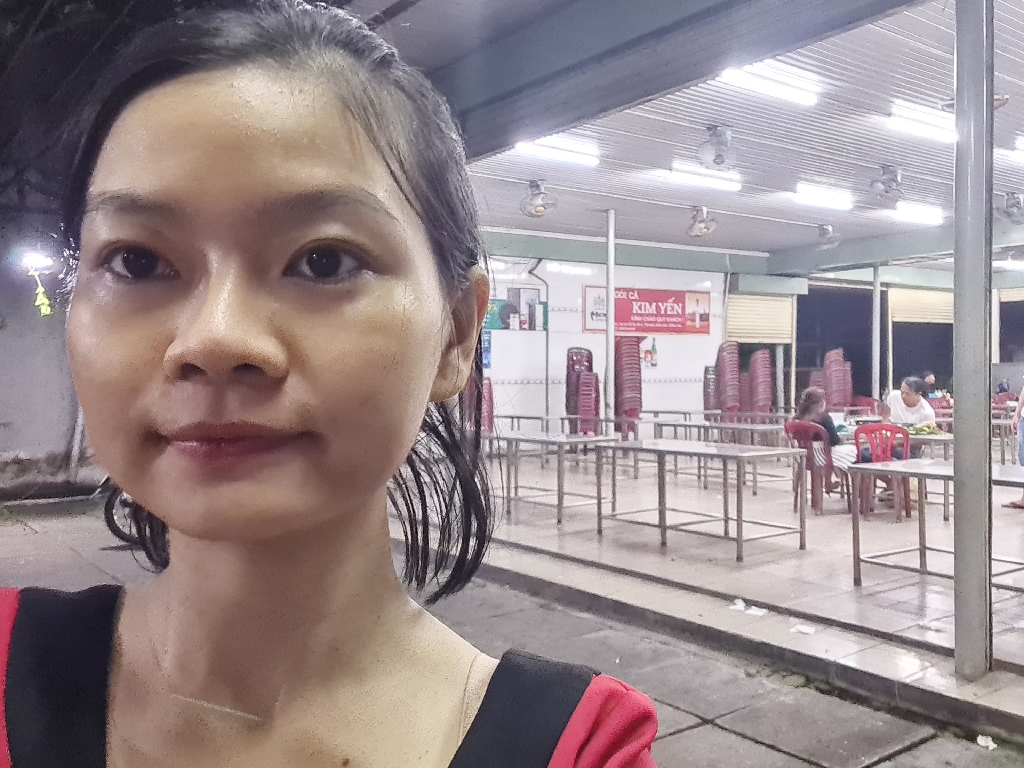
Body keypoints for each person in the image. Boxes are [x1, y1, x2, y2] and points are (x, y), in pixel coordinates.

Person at [0, 4, 659, 766]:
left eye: (323, 261)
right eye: (137, 261)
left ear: (455, 334)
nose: (215, 339)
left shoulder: (577, 748)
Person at [794, 387, 858, 477]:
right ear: (821, 403)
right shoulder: (825, 418)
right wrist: (841, 440)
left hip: (805, 457)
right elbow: (834, 441)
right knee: (856, 452)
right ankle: (842, 477)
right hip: (825, 457)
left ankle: (834, 478)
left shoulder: (797, 420)